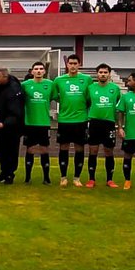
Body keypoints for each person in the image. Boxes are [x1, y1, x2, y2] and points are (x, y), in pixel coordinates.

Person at [54, 54, 93, 187]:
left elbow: (89, 99)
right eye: (70, 63)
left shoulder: (87, 79)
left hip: (81, 120)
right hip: (64, 120)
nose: (72, 66)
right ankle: (63, 177)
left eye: (75, 63)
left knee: (79, 148)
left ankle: (77, 178)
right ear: (67, 64)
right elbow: (55, 96)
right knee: (63, 147)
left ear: (79, 64)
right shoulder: (59, 80)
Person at [85, 63, 121, 188]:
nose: (103, 74)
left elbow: (118, 104)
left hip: (109, 123)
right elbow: (87, 102)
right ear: (97, 74)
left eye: (105, 72)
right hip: (94, 122)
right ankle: (91, 179)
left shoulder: (115, 89)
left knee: (108, 151)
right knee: (93, 150)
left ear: (109, 74)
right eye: (101, 72)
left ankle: (109, 180)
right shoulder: (91, 88)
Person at [0, 67, 25, 183]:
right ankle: (3, 172)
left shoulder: (14, 89)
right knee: (0, 150)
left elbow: (16, 112)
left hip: (12, 127)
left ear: (5, 77)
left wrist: (4, 123)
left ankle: (10, 174)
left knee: (11, 151)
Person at [20, 61, 54, 185]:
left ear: (44, 71)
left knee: (44, 149)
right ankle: (27, 177)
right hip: (29, 123)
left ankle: (46, 178)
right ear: (32, 71)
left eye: (41, 69)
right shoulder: (25, 85)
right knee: (30, 150)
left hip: (44, 122)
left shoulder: (50, 84)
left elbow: (55, 97)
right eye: (36, 69)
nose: (39, 71)